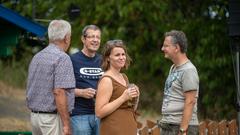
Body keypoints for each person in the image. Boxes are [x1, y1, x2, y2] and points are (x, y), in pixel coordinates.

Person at [26, 20, 75, 135]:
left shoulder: (37, 56)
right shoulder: (62, 58)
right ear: (66, 38)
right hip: (51, 119)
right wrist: (66, 124)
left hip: (35, 118)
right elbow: (59, 92)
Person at [95, 39, 140, 135]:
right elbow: (99, 112)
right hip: (113, 129)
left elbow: (129, 107)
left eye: (123, 54)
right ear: (108, 58)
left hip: (128, 128)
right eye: (117, 55)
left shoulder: (124, 77)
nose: (121, 57)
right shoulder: (106, 80)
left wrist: (136, 96)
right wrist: (123, 98)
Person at [160, 30, 199, 135]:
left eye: (166, 46)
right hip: (169, 125)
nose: (162, 49)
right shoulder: (173, 68)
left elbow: (190, 101)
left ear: (176, 48)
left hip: (180, 128)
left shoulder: (188, 70)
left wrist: (183, 130)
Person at [70, 25, 103, 135]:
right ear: (83, 39)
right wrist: (80, 92)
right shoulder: (72, 60)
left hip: (101, 114)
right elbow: (61, 89)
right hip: (79, 115)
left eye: (98, 37)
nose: (95, 40)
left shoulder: (103, 61)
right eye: (91, 37)